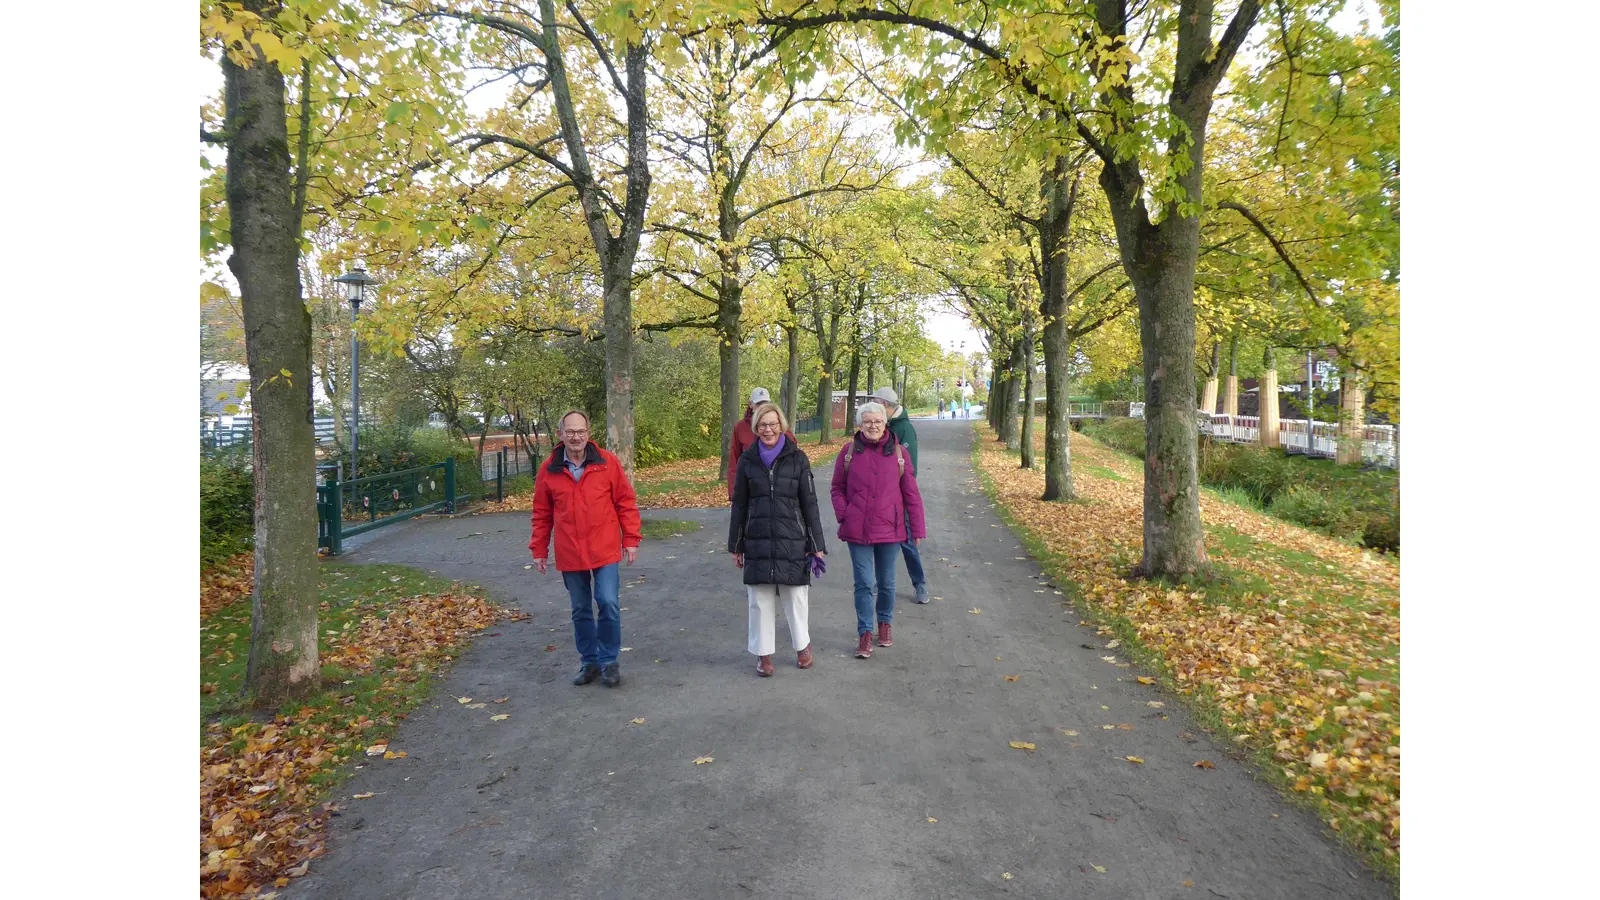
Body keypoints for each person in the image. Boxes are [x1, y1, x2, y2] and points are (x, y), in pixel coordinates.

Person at [530, 410, 642, 688]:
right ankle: (589, 662)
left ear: (589, 434)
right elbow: (541, 513)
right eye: (570, 432)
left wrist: (630, 538)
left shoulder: (607, 463)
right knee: (580, 608)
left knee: (608, 602)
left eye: (580, 431)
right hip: (569, 550)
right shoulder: (549, 469)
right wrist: (539, 549)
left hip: (603, 547)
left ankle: (609, 661)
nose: (576, 437)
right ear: (560, 435)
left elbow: (625, 502)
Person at [729, 403, 827, 677]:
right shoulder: (748, 461)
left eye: (773, 424)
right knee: (759, 601)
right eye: (762, 425)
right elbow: (739, 505)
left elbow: (810, 503)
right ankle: (763, 654)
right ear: (755, 428)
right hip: (756, 539)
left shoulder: (798, 458)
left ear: (781, 425)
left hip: (792, 538)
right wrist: (735, 545)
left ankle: (803, 647)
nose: (768, 429)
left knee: (795, 596)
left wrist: (816, 544)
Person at [831, 401, 926, 659]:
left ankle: (884, 623)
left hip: (890, 528)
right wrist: (845, 514)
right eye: (868, 422)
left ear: (886, 423)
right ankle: (864, 631)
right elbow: (837, 488)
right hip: (857, 528)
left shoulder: (898, 453)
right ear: (860, 425)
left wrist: (917, 529)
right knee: (863, 583)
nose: (873, 426)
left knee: (887, 582)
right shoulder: (848, 452)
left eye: (878, 421)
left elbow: (911, 495)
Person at [871, 387, 930, 605]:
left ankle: (920, 583)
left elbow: (909, 469)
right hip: (878, 498)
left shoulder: (904, 429)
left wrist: (900, 496)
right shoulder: (879, 425)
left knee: (906, 542)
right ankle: (881, 581)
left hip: (898, 498)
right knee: (880, 541)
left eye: (877, 403)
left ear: (886, 405)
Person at [726, 387, 772, 501]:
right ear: (751, 404)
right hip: (749, 489)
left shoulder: (778, 424)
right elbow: (734, 461)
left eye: (765, 403)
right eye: (758, 404)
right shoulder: (740, 428)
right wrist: (734, 492)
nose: (762, 407)